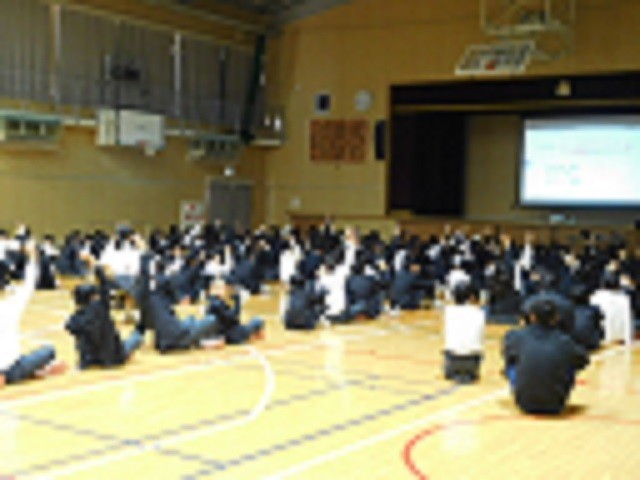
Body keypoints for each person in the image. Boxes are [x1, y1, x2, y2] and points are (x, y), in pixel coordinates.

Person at [503, 299, 589, 415]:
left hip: (524, 403)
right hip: (556, 404)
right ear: (556, 318)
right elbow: (583, 360)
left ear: (532, 317)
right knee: (569, 363)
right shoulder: (565, 341)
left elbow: (508, 354)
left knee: (512, 364)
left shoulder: (516, 336)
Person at [0, 243, 66, 387]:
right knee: (49, 350)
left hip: (10, 367)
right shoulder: (11, 305)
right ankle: (35, 371)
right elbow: (30, 282)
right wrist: (32, 258)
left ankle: (32, 372)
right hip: (12, 368)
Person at [137, 253, 218, 353]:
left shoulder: (145, 298)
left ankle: (199, 339)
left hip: (164, 341)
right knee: (212, 319)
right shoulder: (164, 288)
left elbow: (143, 325)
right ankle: (207, 339)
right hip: (178, 337)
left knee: (190, 320)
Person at [66, 266, 143, 369]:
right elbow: (106, 289)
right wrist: (100, 273)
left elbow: (69, 327)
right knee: (136, 337)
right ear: (92, 297)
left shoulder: (77, 317)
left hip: (91, 359)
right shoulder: (101, 308)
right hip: (113, 357)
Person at [443, 282, 485, 383]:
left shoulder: (448, 312)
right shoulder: (479, 313)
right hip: (472, 360)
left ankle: (452, 370)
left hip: (452, 359)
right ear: (471, 297)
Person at [590, 271, 633, 346]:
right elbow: (628, 320)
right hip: (621, 337)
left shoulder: (596, 297)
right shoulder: (624, 298)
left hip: (603, 338)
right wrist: (628, 340)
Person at [569, 283, 604, 351]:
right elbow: (600, 324)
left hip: (574, 345)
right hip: (592, 344)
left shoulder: (567, 311)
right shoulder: (594, 309)